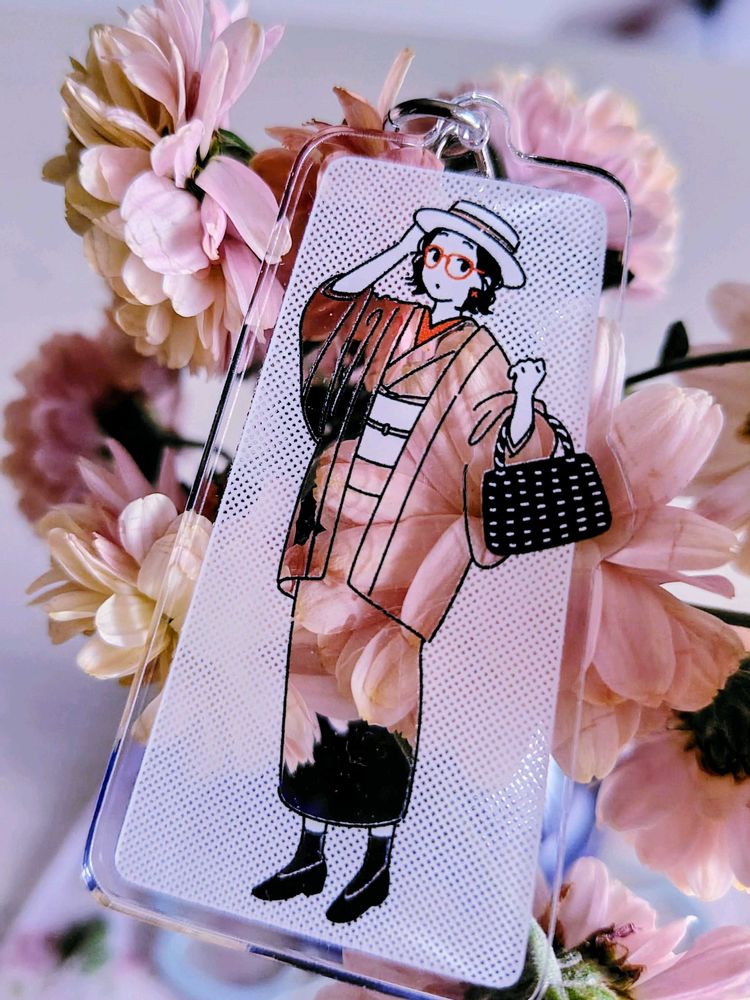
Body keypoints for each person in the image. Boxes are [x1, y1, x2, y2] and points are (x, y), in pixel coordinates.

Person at [252, 200, 555, 923]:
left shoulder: (480, 352)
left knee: (382, 700)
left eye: (460, 262)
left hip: (407, 545)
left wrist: (526, 399)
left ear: (480, 280)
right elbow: (326, 313)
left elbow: (505, 445)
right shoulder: (386, 318)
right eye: (434, 255)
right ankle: (308, 849)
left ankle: (379, 861)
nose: (442, 270)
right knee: (310, 686)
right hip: (336, 515)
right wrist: (398, 247)